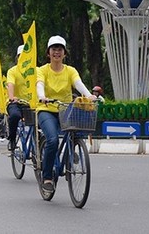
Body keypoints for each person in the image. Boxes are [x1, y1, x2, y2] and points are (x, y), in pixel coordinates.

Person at [36, 35, 95, 193]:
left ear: (64, 53)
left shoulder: (70, 70)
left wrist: (88, 95)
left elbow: (78, 84)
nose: (57, 52)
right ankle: (47, 177)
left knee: (76, 132)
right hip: (46, 110)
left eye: (60, 49)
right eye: (53, 49)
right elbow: (39, 84)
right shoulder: (42, 70)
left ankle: (69, 156)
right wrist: (42, 97)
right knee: (53, 140)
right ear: (48, 53)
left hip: (65, 110)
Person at [6, 45, 28, 151]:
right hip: (16, 102)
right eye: (21, 56)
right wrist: (11, 97)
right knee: (14, 116)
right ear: (17, 58)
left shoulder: (37, 70)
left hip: (32, 103)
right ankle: (12, 139)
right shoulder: (12, 71)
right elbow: (10, 84)